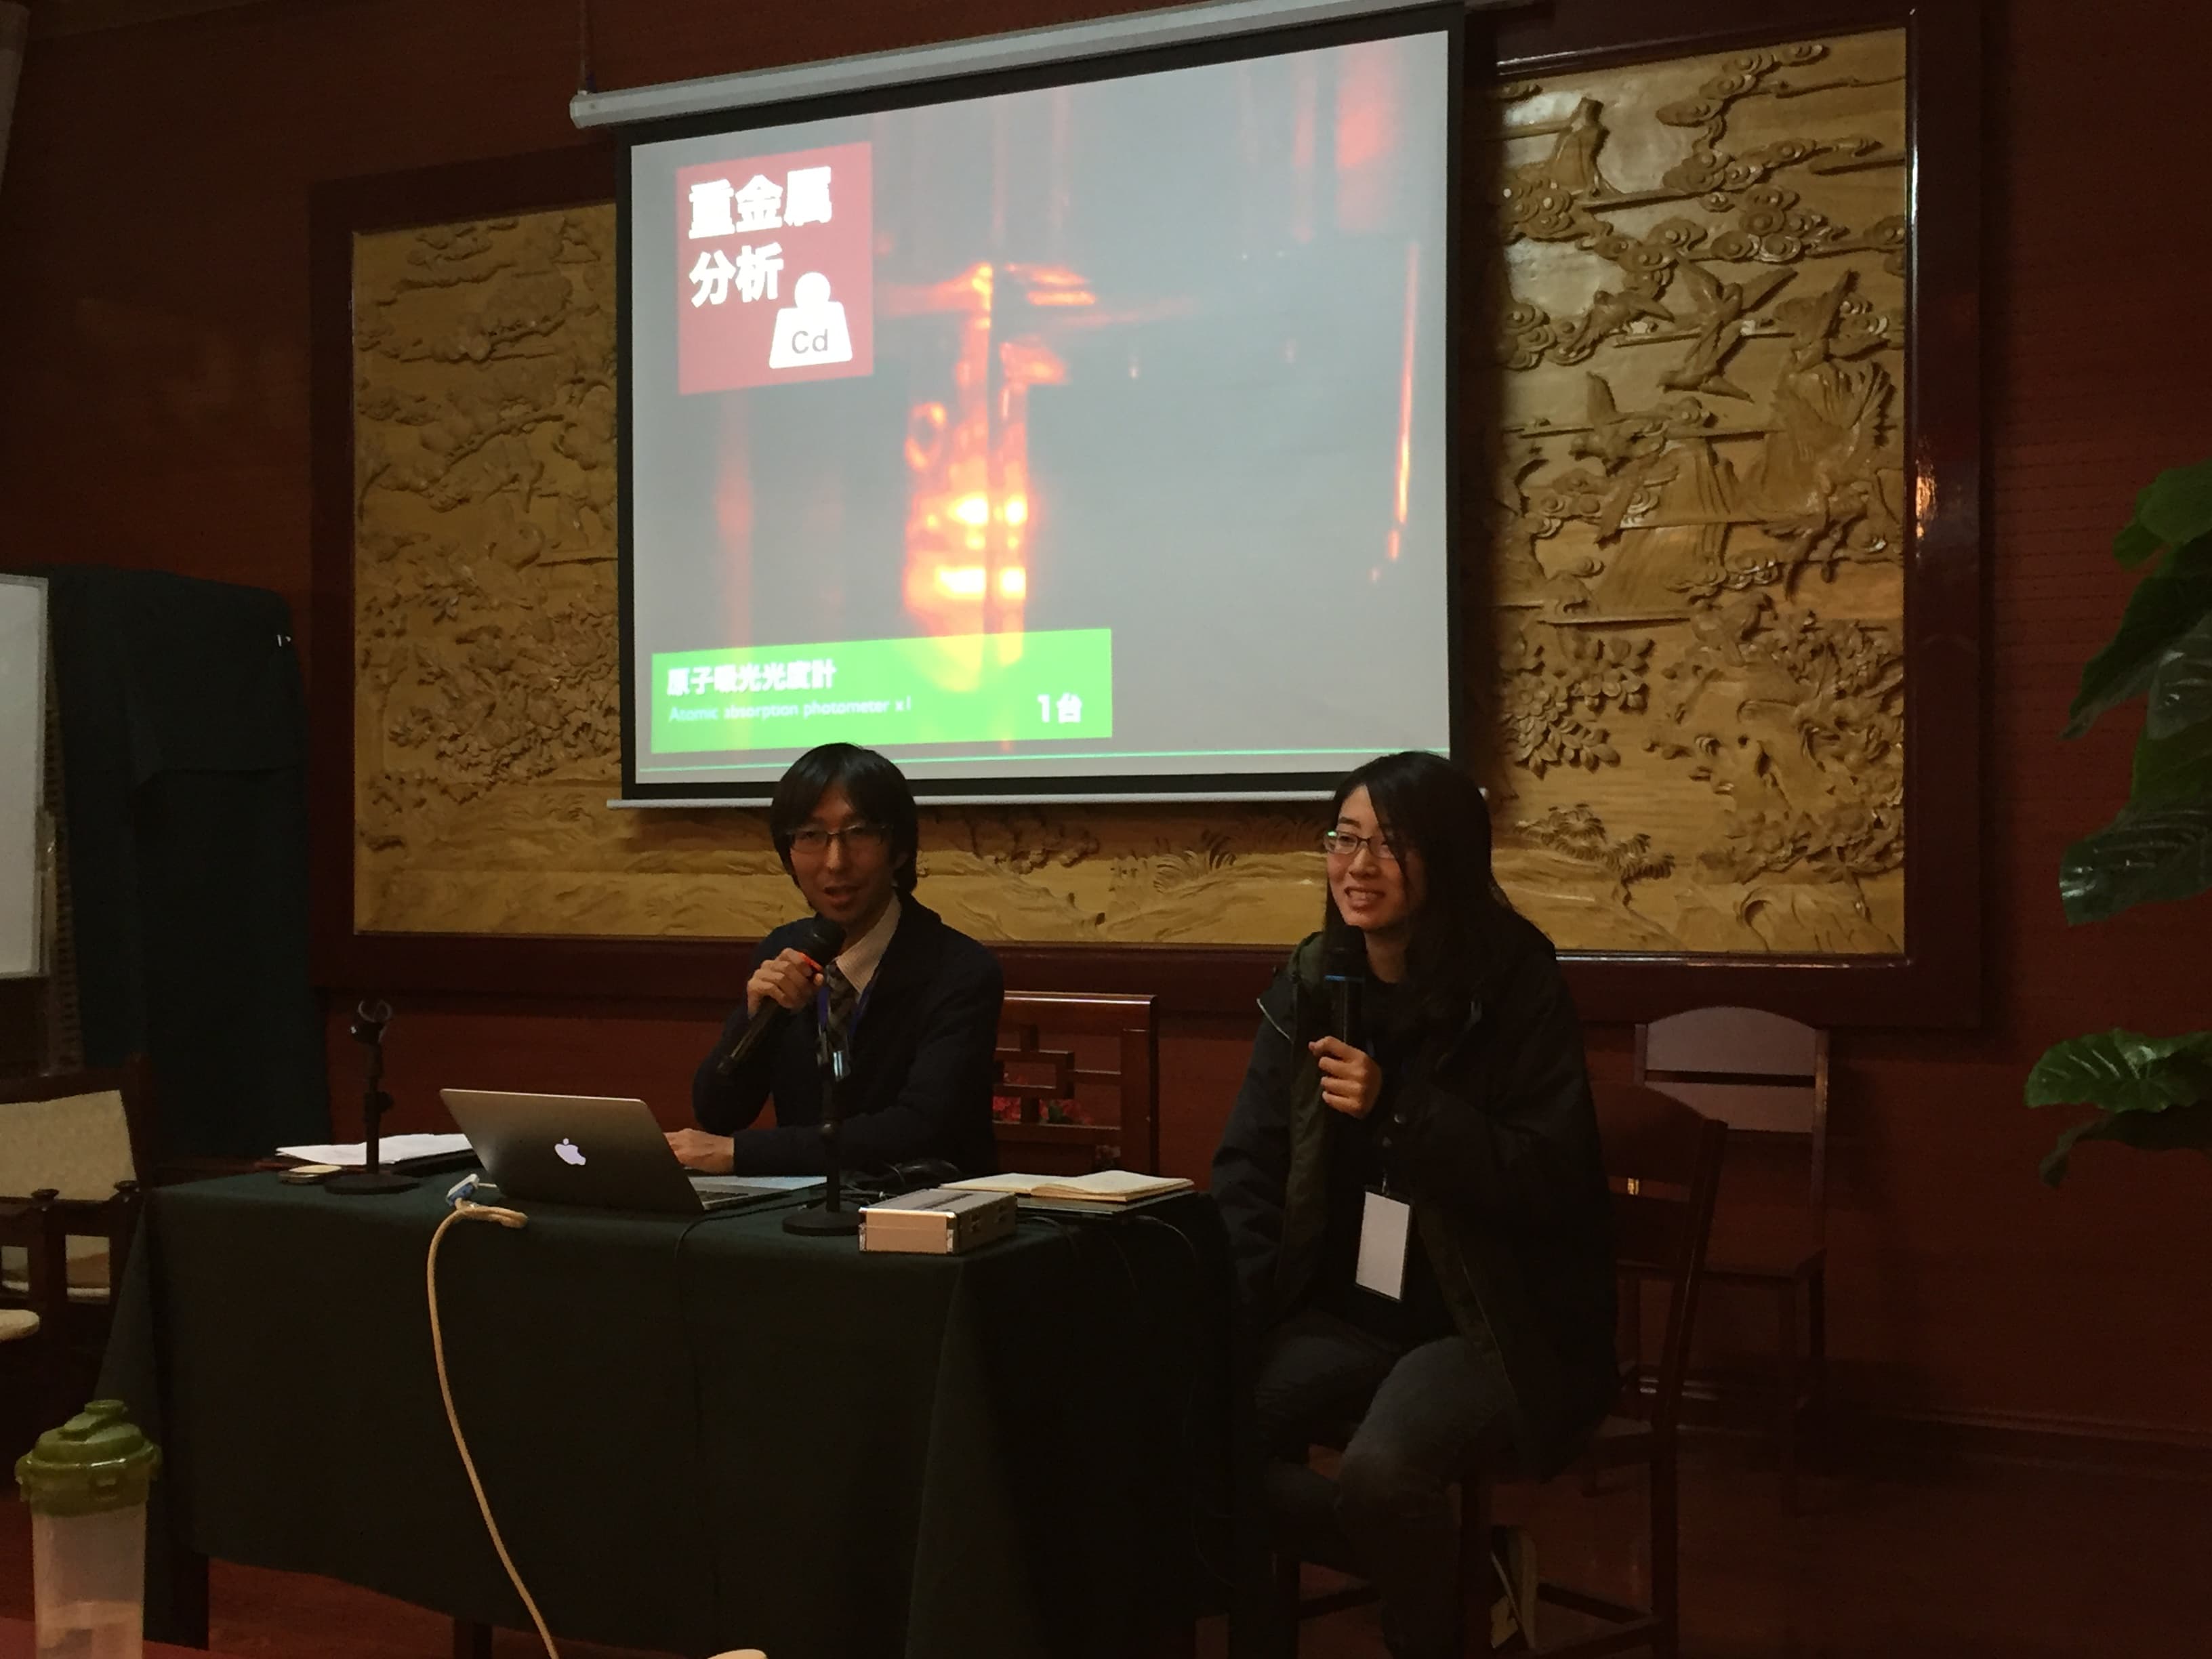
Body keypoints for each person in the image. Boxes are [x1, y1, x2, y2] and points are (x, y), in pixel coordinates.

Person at [1210, 752, 1616, 1659]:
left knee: (1383, 1475)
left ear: (1449, 859)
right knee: (1199, 1441)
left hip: (1494, 1317)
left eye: (1389, 846)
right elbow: (1250, 1171)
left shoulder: (1515, 985)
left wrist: (1398, 1107)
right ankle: (1468, 1572)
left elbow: (1551, 1175)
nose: (1358, 866)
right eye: (1344, 839)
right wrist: (1230, 1319)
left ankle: (1434, 1619)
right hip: (1352, 1310)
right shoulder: (1313, 983)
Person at [670, 743, 1002, 1176]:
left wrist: (742, 1154)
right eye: (811, 836)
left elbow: (922, 1127)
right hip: (800, 1206)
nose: (835, 862)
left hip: (919, 1203)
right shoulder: (785, 950)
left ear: (899, 848)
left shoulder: (959, 969)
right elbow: (718, 1113)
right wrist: (754, 1022)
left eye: (859, 833)